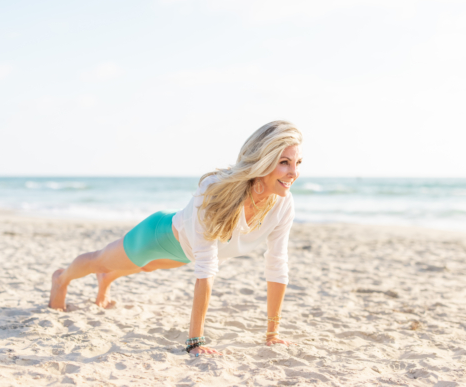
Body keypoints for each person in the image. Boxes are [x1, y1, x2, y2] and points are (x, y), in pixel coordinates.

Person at [49, 120, 303, 356]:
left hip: (187, 251)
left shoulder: (283, 204)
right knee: (103, 260)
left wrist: (273, 334)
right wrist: (195, 342)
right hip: (159, 236)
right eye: (284, 162)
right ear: (262, 159)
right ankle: (61, 279)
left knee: (145, 266)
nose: (294, 173)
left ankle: (105, 281)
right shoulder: (215, 188)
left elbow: (277, 264)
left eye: (298, 163)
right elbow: (206, 266)